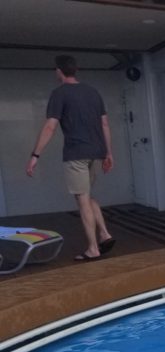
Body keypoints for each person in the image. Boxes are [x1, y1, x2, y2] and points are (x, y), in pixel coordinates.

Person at [26, 55, 115, 261]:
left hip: (76, 154)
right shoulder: (93, 92)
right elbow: (105, 124)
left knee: (82, 199)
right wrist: (108, 152)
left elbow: (50, 126)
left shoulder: (60, 93)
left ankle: (93, 248)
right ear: (75, 70)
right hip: (96, 152)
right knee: (87, 194)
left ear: (59, 71)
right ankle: (104, 234)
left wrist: (35, 155)